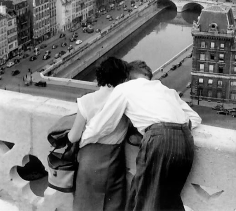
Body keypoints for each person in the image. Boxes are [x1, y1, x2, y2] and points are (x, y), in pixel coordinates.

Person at [81, 59, 202, 211]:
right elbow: (196, 118)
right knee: (169, 199)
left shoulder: (124, 88)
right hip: (185, 140)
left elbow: (103, 124)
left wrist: (83, 140)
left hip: (159, 139)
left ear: (128, 77)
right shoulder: (166, 90)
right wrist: (173, 126)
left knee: (144, 198)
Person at [67, 57, 130, 211]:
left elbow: (73, 137)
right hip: (113, 161)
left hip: (88, 163)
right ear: (122, 78)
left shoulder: (86, 101)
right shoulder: (125, 102)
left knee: (86, 205)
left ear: (99, 76)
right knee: (112, 205)